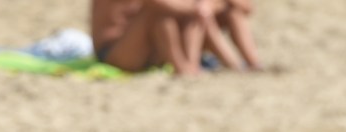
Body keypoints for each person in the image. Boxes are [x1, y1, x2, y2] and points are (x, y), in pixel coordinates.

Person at [90, 0, 260, 75]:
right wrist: (199, 8)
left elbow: (247, 7)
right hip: (114, 52)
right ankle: (185, 68)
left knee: (231, 13)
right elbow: (157, 4)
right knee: (162, 16)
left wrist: (209, 6)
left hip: (146, 49)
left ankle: (252, 63)